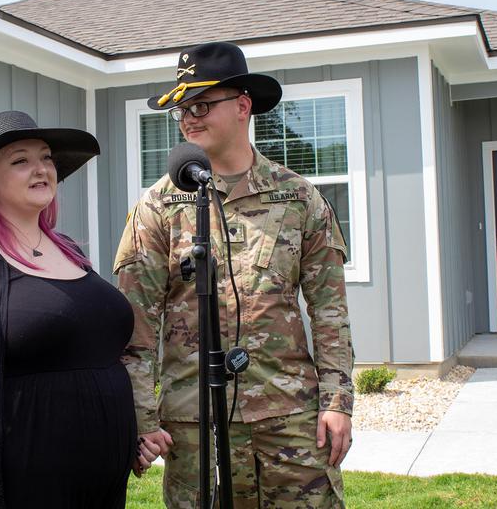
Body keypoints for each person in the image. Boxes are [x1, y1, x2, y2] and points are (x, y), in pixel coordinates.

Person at [115, 42, 355, 508]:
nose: (189, 117)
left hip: (288, 417)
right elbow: (135, 330)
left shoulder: (299, 199)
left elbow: (330, 312)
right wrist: (144, 420)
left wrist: (336, 402)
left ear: (243, 106)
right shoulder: (158, 208)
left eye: (202, 105)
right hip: (194, 426)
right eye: (181, 109)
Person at [0, 110, 158, 508]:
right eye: (20, 160)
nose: (40, 169)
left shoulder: (69, 250)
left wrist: (135, 431)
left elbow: (93, 353)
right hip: (23, 482)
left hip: (103, 481)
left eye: (46, 158)